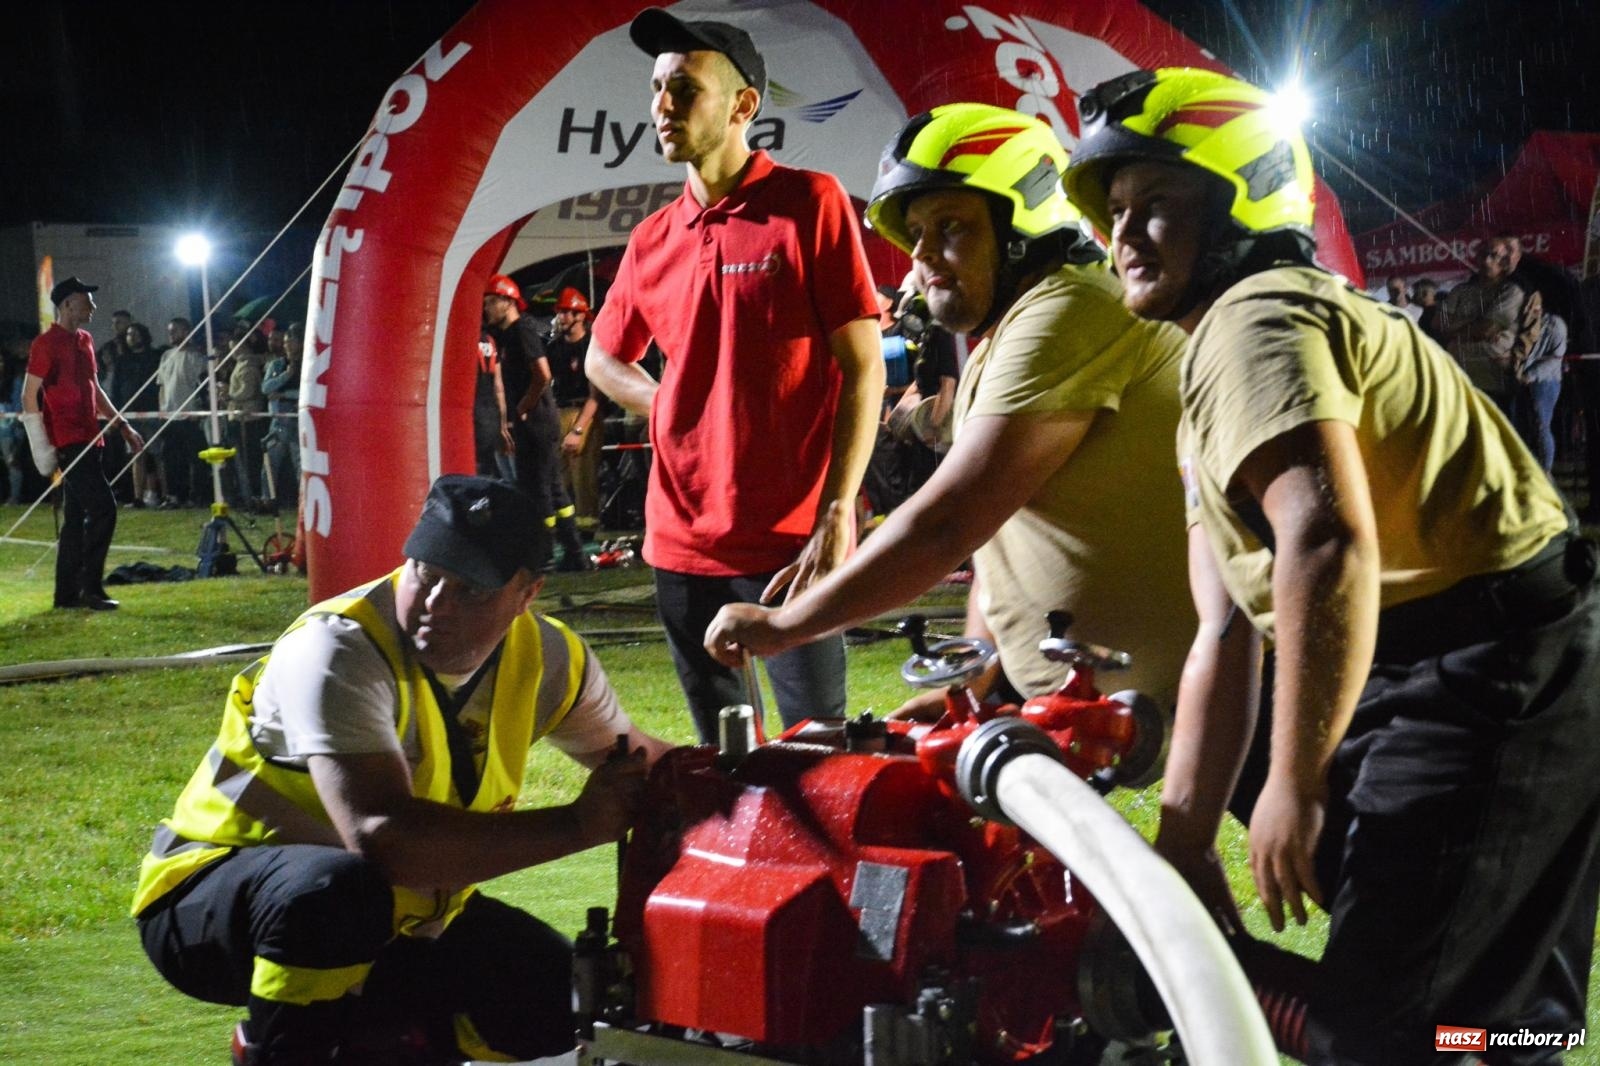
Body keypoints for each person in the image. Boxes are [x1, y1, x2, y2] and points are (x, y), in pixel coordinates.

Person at [1063, 66, 1600, 1065]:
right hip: (1488, 649)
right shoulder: (1242, 333)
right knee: (1508, 1023)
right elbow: (1227, 622)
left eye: (1156, 203)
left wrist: (1294, 781)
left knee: (1388, 1037)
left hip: (1484, 665)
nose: (1122, 234)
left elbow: (1323, 541)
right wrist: (1184, 846)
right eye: (1116, 210)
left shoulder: (1252, 318)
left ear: (1239, 204)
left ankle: (1202, 982)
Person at [132, 474, 673, 1065]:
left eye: (471, 589)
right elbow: (382, 839)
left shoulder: (550, 658)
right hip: (210, 897)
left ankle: (393, 1042)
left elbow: (648, 765)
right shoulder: (336, 646)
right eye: (425, 571)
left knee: (558, 996)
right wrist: (576, 825)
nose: (436, 603)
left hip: (399, 913)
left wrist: (741, 772)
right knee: (335, 893)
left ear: (528, 593)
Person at [705, 104, 1192, 717]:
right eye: (916, 233)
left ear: (1020, 227)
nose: (923, 254)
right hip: (1073, 700)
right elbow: (995, 530)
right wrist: (978, 678)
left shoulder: (1070, 309)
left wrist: (784, 625)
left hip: (1161, 705)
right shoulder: (1012, 331)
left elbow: (949, 522)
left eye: (951, 227)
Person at [586, 8, 883, 740]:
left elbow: (864, 367)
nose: (662, 106)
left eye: (685, 89)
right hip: (680, 540)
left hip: (790, 539)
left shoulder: (809, 203)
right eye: (657, 89)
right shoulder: (652, 237)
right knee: (724, 757)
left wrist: (837, 512)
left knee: (818, 748)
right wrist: (666, 403)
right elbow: (602, 356)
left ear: (743, 104)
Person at [21, 276, 144, 610]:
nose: (93, 306)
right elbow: (29, 396)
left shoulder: (86, 340)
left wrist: (122, 426)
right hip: (68, 441)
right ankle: (90, 588)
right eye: (86, 300)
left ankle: (66, 596)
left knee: (75, 522)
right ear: (67, 305)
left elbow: (95, 390)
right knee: (104, 510)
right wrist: (41, 446)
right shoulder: (45, 344)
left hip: (91, 438)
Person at [483, 274, 590, 570]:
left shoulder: (522, 331)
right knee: (553, 488)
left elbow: (543, 374)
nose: (487, 309)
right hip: (538, 420)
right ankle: (574, 553)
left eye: (491, 302)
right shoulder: (508, 335)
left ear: (507, 301)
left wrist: (522, 408)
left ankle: (544, 555)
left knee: (537, 489)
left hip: (536, 422)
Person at [1438, 235, 1541, 413]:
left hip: (1496, 377)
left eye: (1494, 255)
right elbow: (1440, 325)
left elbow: (1488, 329)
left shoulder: (1518, 289)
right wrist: (1477, 324)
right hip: (1461, 377)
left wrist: (1457, 330)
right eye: (1483, 254)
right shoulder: (1463, 289)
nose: (1487, 260)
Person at [549, 286, 607, 526]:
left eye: (566, 312)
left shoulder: (591, 347)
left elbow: (595, 395)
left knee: (583, 475)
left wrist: (578, 429)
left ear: (580, 315)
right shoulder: (554, 348)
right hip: (558, 411)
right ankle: (563, 527)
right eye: (560, 312)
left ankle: (587, 524)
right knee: (558, 476)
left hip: (584, 413)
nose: (561, 317)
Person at [155, 316, 210, 508]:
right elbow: (162, 385)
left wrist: (198, 410)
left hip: (189, 415)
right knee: (171, 458)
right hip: (169, 415)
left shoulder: (196, 357)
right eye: (170, 331)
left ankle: (196, 495)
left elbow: (202, 386)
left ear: (186, 332)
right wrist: (162, 409)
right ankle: (174, 495)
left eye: (175, 331)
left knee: (194, 458)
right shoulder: (166, 356)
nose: (171, 334)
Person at [116, 321, 164, 507]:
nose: (132, 337)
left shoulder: (154, 357)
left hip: (152, 411)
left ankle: (164, 495)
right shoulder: (123, 360)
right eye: (129, 334)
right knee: (136, 454)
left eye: (135, 334)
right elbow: (117, 387)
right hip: (130, 414)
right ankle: (138, 498)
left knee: (157, 454)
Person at [261, 321, 303, 509]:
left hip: (299, 420)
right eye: (285, 342)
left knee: (300, 464)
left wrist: (284, 394)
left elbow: (306, 393)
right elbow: (266, 388)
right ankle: (267, 499)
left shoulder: (307, 364)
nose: (286, 345)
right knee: (270, 462)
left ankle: (304, 500)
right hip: (278, 421)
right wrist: (285, 375)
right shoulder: (277, 364)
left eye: (290, 341)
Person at [471, 327, 514, 482]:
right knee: (489, 466)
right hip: (491, 413)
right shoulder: (490, 341)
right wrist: (502, 423)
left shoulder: (464, 338)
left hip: (473, 411)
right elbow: (498, 386)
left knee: (475, 467)